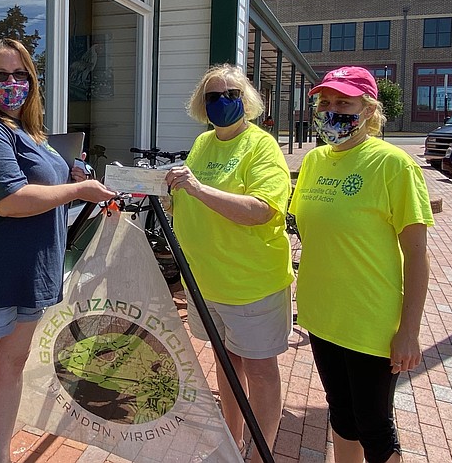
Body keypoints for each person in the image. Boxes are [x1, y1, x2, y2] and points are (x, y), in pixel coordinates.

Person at [0, 38, 116, 462]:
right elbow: (10, 200)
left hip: (31, 275)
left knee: (11, 369)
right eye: (1, 75)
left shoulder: (31, 132)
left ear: (33, 82)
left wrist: (71, 171)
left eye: (21, 76)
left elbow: (47, 184)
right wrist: (79, 188)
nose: (12, 83)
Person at [289, 66, 434, 463]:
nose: (332, 110)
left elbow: (418, 256)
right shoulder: (316, 161)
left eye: (344, 103)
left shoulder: (393, 165)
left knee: (375, 426)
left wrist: (409, 331)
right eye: (326, 102)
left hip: (370, 322)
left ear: (368, 110)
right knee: (341, 415)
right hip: (322, 315)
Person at [165, 64, 294, 460]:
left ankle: (260, 454)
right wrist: (169, 196)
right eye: (213, 96)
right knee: (227, 364)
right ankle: (232, 442)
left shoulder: (260, 146)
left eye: (231, 95)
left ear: (248, 100)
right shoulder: (203, 144)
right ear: (201, 105)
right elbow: (190, 198)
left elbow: (262, 210)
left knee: (259, 372)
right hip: (205, 284)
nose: (222, 102)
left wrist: (197, 189)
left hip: (250, 284)